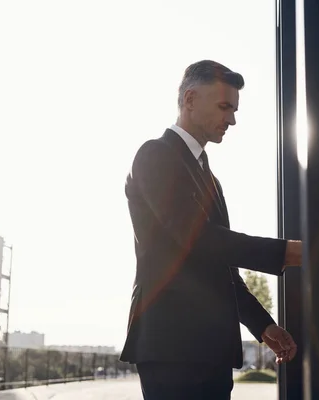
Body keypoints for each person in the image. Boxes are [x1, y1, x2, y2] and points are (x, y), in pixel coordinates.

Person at [120, 60, 302, 400]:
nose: (232, 119)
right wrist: (288, 252)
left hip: (211, 349)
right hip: (172, 346)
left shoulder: (210, 178)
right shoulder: (154, 155)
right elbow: (198, 241)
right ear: (190, 99)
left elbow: (222, 268)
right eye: (224, 107)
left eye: (234, 109)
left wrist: (263, 325)